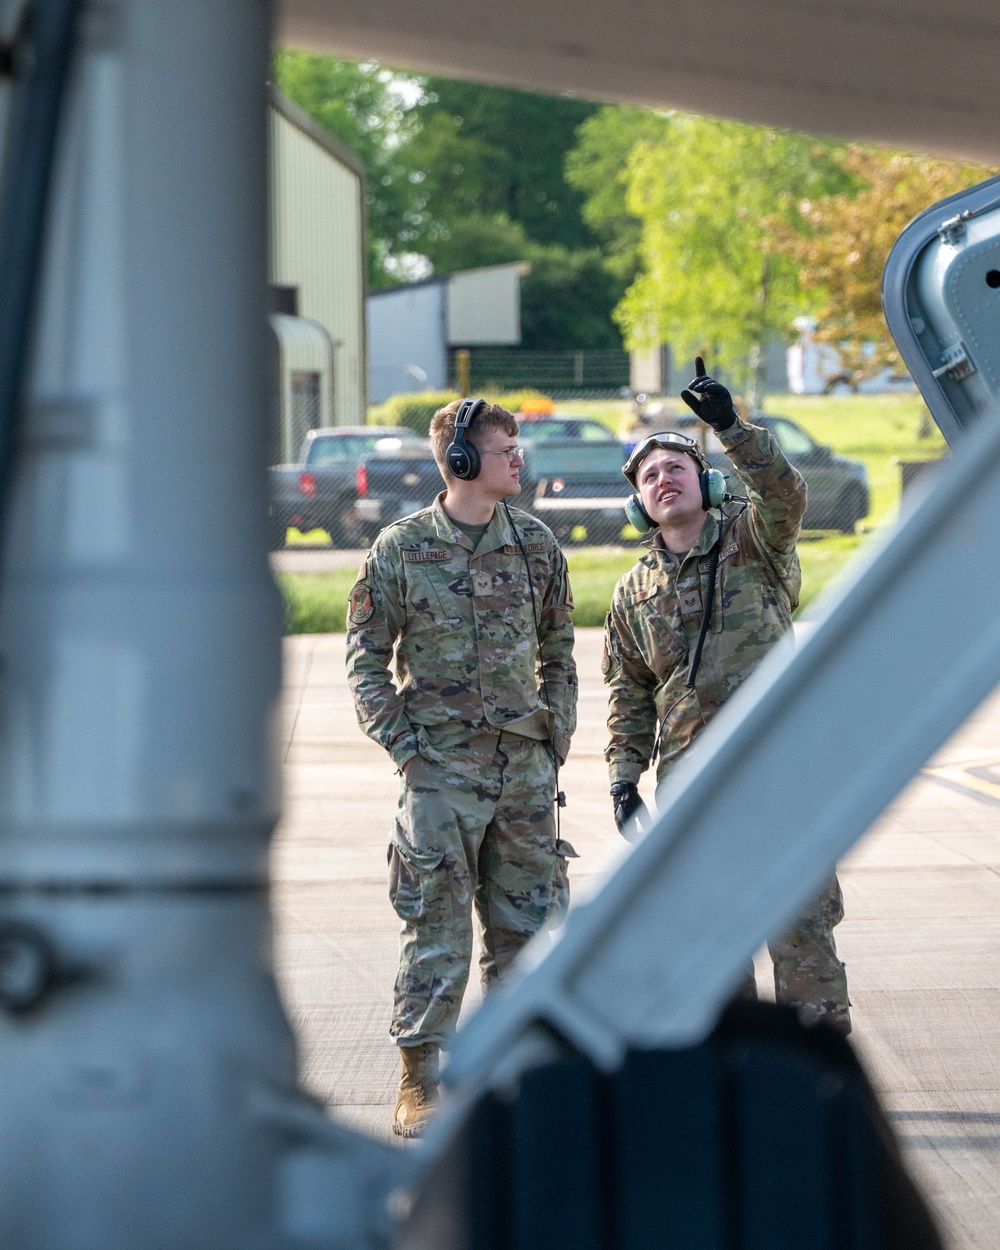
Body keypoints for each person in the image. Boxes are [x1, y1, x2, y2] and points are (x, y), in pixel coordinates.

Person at [346, 397, 578, 1137]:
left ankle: (523, 1078)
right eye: (507, 449)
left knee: (532, 932)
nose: (519, 460)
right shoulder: (402, 548)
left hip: (524, 776)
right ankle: (420, 1081)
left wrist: (554, 740)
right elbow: (366, 661)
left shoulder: (536, 545)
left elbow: (560, 653)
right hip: (440, 774)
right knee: (435, 931)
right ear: (463, 461)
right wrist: (407, 752)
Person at [603, 359, 851, 1035]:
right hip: (693, 784)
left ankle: (823, 1069)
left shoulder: (753, 539)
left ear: (705, 481)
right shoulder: (631, 594)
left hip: (782, 771)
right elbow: (627, 694)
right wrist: (624, 780)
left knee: (801, 925)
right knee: (712, 938)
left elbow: (786, 494)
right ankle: (738, 1073)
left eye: (676, 466)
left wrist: (729, 427)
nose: (663, 478)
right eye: (649, 476)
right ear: (638, 504)